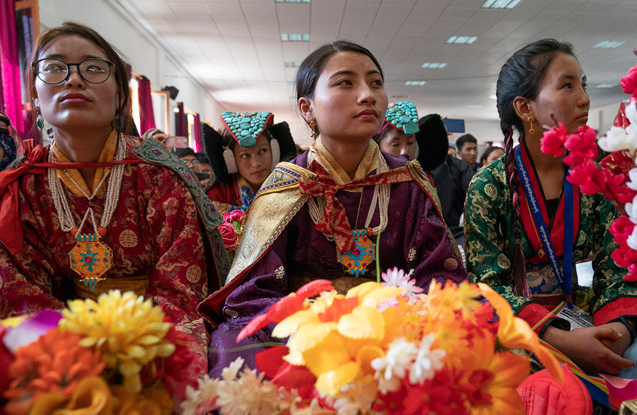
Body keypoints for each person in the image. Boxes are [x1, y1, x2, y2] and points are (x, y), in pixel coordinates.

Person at [200, 40, 466, 376]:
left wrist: (391, 325)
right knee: (232, 345)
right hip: (303, 334)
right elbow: (252, 295)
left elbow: (441, 276)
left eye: (376, 83)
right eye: (346, 82)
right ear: (307, 108)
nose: (368, 94)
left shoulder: (408, 182)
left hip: (395, 333)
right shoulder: (285, 184)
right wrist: (317, 331)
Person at [0, 22, 228, 373]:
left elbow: (180, 291)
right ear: (34, 91)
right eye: (55, 68)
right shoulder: (23, 186)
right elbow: (21, 296)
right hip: (59, 349)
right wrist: (81, 354)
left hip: (152, 340)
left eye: (93, 68)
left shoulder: (159, 174)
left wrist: (128, 353)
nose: (73, 80)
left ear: (121, 95)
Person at [464, 38, 637, 376]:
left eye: (583, 84)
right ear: (525, 109)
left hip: (589, 326)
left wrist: (617, 331)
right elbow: (485, 285)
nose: (584, 98)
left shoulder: (597, 178)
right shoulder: (489, 186)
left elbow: (621, 267)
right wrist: (557, 339)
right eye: (567, 86)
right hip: (515, 336)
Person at [202, 115, 296, 213]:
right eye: (245, 155)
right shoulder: (219, 195)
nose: (256, 163)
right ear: (231, 161)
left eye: (263, 151)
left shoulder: (292, 187)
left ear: (274, 151)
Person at [420, 114, 474, 246]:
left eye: (442, 134)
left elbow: (476, 196)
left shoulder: (459, 167)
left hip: (454, 233)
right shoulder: (411, 167)